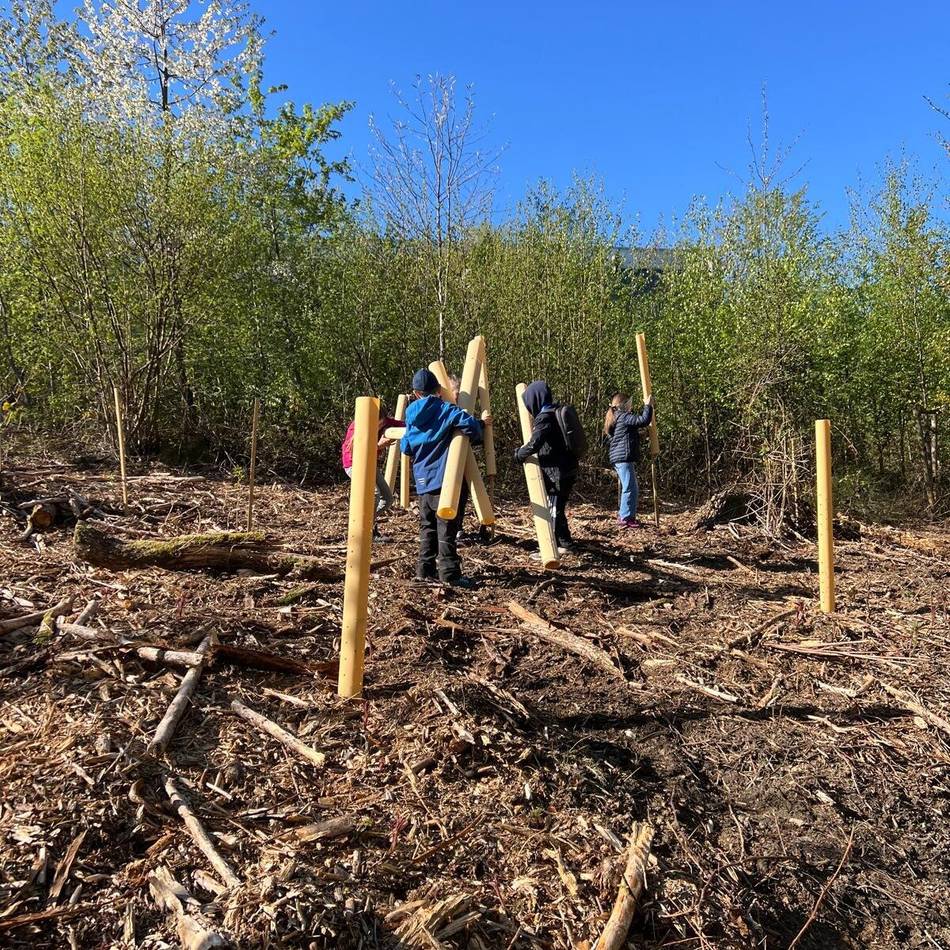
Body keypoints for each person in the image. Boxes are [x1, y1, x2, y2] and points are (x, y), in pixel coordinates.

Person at [401, 368, 484, 587]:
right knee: (447, 527)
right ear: (439, 390)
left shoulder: (410, 415)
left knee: (427, 526)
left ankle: (424, 570)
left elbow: (406, 446)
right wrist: (481, 425)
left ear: (416, 393)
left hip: (422, 482)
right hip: (446, 480)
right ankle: (449, 573)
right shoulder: (446, 410)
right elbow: (472, 428)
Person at [514, 381, 578, 554]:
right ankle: (565, 543)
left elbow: (534, 444)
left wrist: (519, 454)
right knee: (558, 509)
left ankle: (551, 548)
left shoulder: (545, 418)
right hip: (567, 469)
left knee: (553, 511)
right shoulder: (555, 411)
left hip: (558, 474)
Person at [341, 407, 404, 536]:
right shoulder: (356, 427)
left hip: (370, 464)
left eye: (381, 424)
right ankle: (365, 531)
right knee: (374, 493)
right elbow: (357, 455)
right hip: (355, 464)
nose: (379, 427)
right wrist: (379, 446)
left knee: (387, 498)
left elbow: (403, 425)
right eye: (377, 424)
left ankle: (365, 523)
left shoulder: (386, 422)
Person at [604, 392, 654, 528]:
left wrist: (637, 435)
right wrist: (648, 406)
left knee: (630, 486)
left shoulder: (616, 418)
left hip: (619, 457)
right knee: (630, 487)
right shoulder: (624, 416)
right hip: (623, 458)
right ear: (624, 405)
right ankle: (626, 517)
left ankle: (625, 515)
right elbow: (643, 420)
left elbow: (621, 436)